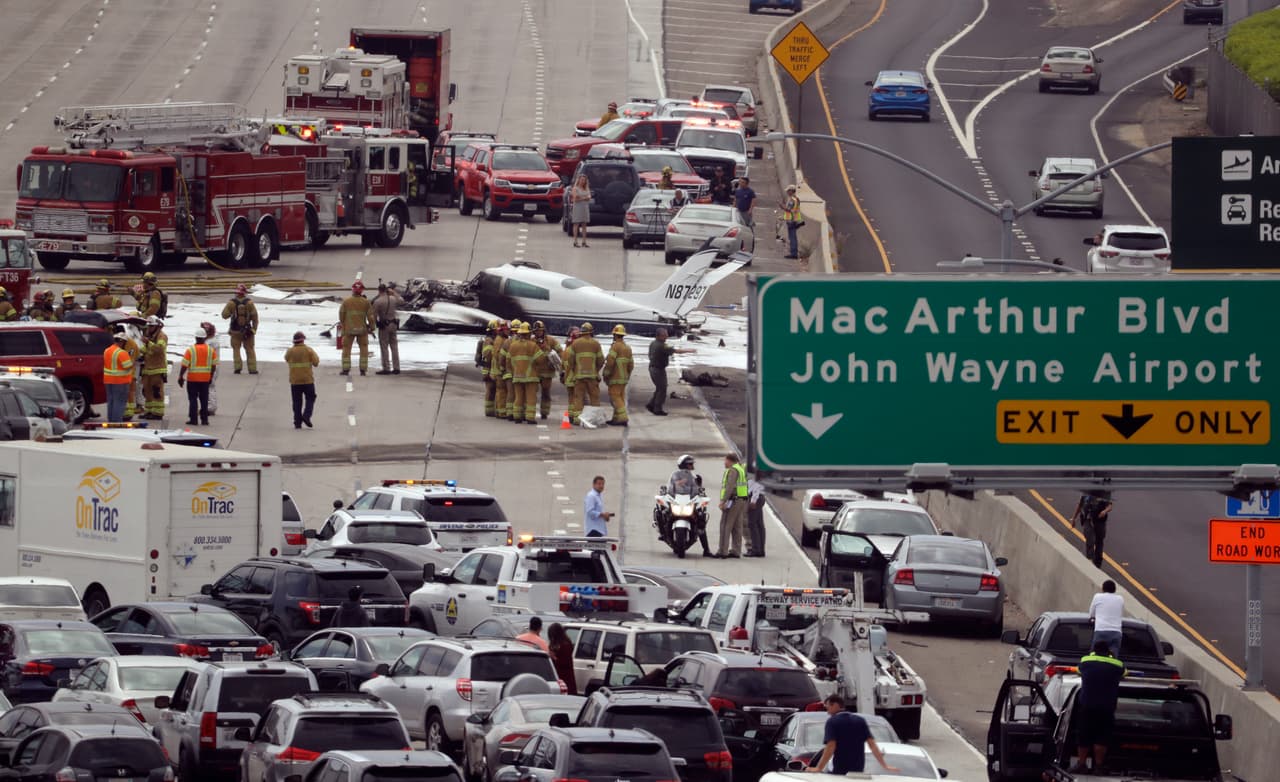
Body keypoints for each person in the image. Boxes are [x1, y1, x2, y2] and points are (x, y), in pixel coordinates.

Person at [806, 694, 898, 774]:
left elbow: (830, 746)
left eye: (828, 707)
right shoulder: (860, 721)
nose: (827, 712)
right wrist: (884, 765)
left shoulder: (832, 722)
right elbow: (872, 745)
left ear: (835, 705)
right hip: (858, 770)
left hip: (840, 770)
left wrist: (819, 768)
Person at [1074, 641, 1126, 774]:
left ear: (1093, 650)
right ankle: (1099, 766)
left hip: (1087, 706)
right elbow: (1125, 673)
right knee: (1102, 737)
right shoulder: (1117, 664)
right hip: (1106, 708)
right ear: (1109, 651)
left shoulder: (1086, 661)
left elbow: (1078, 670)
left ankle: (1081, 764)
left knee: (1084, 736)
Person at [646, 327, 693, 415]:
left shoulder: (653, 343)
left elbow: (649, 355)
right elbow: (676, 351)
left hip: (652, 368)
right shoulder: (662, 345)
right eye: (665, 335)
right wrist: (689, 350)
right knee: (662, 389)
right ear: (659, 336)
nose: (667, 337)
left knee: (659, 388)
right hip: (658, 370)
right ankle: (657, 409)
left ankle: (651, 404)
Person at [178, 329, 217, 426]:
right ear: (204, 338)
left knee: (192, 399)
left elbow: (184, 365)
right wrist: (210, 377)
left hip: (193, 379)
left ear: (196, 338)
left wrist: (181, 376)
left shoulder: (191, 350)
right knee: (204, 399)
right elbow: (214, 365)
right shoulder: (210, 350)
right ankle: (204, 420)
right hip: (205, 379)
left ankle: (193, 419)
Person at [568, 322, 604, 424]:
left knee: (578, 397)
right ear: (591, 332)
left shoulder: (575, 344)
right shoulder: (596, 343)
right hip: (592, 377)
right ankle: (594, 419)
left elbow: (570, 360)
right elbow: (601, 360)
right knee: (594, 397)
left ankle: (577, 419)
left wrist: (574, 371)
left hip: (579, 376)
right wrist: (596, 370)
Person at [338, 280, 376, 376]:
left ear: (353, 290)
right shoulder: (366, 302)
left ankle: (345, 369)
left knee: (346, 349)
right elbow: (370, 317)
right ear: (362, 291)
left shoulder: (346, 302)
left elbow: (341, 315)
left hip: (349, 330)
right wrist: (372, 327)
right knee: (364, 349)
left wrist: (344, 325)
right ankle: (363, 370)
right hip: (362, 330)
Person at [715, 453, 748, 558]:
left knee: (725, 525)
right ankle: (736, 550)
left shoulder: (732, 470)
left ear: (730, 461)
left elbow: (729, 487)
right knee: (737, 527)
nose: (724, 463)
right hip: (741, 500)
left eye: (725, 460)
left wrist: (723, 501)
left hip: (733, 500)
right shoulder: (740, 468)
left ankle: (722, 551)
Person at [220, 284, 259, 374]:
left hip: (235, 331)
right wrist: (254, 330)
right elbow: (255, 318)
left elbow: (224, 315)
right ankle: (252, 369)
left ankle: (237, 368)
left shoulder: (231, 303)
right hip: (247, 331)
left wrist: (232, 312)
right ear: (245, 293)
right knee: (250, 349)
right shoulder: (250, 303)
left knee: (236, 350)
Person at [285, 331, 320, 429]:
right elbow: (316, 362)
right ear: (303, 340)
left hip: (295, 381)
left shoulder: (290, 351)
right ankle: (306, 416)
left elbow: (286, 359)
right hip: (308, 380)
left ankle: (297, 422)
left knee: (296, 402)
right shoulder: (309, 350)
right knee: (310, 398)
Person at [1071, 491, 1114, 568]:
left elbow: (1110, 506)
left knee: (1099, 542)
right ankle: (1090, 561)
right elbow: (1080, 505)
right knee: (1090, 539)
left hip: (1100, 521)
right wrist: (1074, 518)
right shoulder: (1086, 493)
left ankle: (1097, 564)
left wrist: (1104, 511)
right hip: (1088, 519)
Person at [508, 322, 539, 424]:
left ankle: (517, 417)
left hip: (517, 376)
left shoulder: (513, 345)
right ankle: (530, 418)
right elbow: (541, 360)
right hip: (530, 377)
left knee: (518, 397)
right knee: (530, 397)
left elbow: (508, 361)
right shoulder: (532, 345)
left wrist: (514, 371)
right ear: (528, 333)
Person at [602, 324, 633, 427]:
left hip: (615, 378)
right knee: (620, 397)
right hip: (624, 379)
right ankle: (616, 419)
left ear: (615, 335)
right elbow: (631, 365)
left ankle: (623, 417)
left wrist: (605, 374)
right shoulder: (627, 348)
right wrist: (627, 375)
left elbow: (610, 362)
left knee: (615, 397)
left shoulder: (615, 347)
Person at [532, 321, 562, 420]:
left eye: (540, 331)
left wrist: (556, 360)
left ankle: (544, 412)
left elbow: (560, 351)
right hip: (534, 371)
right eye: (536, 331)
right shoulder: (531, 341)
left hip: (547, 372)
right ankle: (530, 411)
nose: (538, 333)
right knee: (532, 392)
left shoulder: (551, 340)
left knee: (546, 393)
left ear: (543, 331)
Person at [372, 281, 404, 375]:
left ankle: (386, 368)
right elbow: (402, 301)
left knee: (384, 347)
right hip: (393, 324)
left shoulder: (378, 301)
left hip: (384, 325)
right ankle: (396, 367)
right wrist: (394, 292)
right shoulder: (393, 298)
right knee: (394, 346)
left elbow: (374, 315)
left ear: (379, 290)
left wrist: (373, 325)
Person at [139, 316, 168, 420]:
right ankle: (149, 411)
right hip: (148, 369)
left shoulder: (162, 336)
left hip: (157, 368)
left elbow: (159, 349)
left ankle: (158, 413)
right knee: (147, 391)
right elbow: (144, 349)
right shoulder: (150, 336)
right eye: (149, 326)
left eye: (151, 326)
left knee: (157, 391)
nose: (149, 328)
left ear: (156, 326)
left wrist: (148, 343)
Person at [102, 331, 134, 423]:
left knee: (111, 401)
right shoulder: (122, 353)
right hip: (120, 381)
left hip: (108, 380)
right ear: (122, 342)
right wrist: (130, 357)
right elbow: (127, 365)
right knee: (119, 402)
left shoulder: (106, 350)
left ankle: (111, 421)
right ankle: (116, 422)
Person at [1089, 579, 1124, 656]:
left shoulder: (1097, 597)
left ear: (1103, 589)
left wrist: (1094, 618)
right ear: (1114, 590)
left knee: (1094, 655)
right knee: (1114, 657)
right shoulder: (1120, 599)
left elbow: (1091, 614)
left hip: (1101, 630)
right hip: (1116, 632)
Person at [547, 622, 577, 694]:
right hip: (557, 675)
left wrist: (553, 657)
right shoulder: (555, 644)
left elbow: (565, 662)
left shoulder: (565, 644)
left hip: (565, 676)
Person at [477, 320, 498, 416]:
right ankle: (489, 411)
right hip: (488, 369)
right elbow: (488, 355)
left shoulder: (495, 339)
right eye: (497, 329)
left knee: (495, 390)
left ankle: (491, 410)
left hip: (492, 369)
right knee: (490, 389)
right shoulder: (488, 341)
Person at [491, 321, 510, 420]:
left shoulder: (501, 339)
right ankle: (502, 412)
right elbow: (497, 355)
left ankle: (499, 411)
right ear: (502, 330)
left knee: (500, 391)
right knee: (502, 391)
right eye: (506, 330)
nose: (508, 331)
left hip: (498, 370)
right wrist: (502, 367)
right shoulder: (500, 340)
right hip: (499, 371)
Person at [201, 322, 219, 417]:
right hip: (209, 367)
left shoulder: (211, 342)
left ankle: (211, 407)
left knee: (210, 387)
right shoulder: (209, 341)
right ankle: (209, 406)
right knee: (208, 387)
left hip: (211, 367)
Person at [746, 476, 766, 558]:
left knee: (752, 524)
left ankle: (756, 549)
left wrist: (753, 500)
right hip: (759, 496)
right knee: (759, 524)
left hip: (756, 497)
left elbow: (757, 485)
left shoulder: (755, 468)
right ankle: (760, 550)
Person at [570, 174, 592, 248]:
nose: (583, 181)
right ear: (578, 180)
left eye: (584, 180)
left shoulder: (586, 188)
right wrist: (584, 198)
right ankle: (575, 241)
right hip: (577, 208)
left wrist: (582, 197)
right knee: (576, 224)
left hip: (585, 208)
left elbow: (589, 197)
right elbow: (575, 198)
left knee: (584, 225)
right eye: (581, 179)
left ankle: (584, 241)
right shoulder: (575, 188)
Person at [781, 184, 802, 259]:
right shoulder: (796, 199)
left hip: (791, 221)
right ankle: (794, 253)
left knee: (792, 237)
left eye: (788, 191)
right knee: (793, 237)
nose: (787, 192)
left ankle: (793, 253)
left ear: (791, 191)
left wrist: (782, 206)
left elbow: (788, 209)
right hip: (794, 220)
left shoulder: (792, 200)